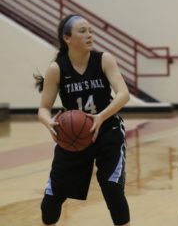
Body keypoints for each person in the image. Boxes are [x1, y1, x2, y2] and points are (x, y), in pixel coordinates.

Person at [34, 14, 130, 226]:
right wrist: (48, 122)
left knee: (113, 189)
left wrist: (100, 117)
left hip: (107, 131)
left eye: (91, 31)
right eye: (82, 31)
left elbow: (123, 94)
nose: (89, 35)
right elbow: (43, 108)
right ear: (67, 38)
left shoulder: (104, 59)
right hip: (73, 136)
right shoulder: (57, 69)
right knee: (50, 202)